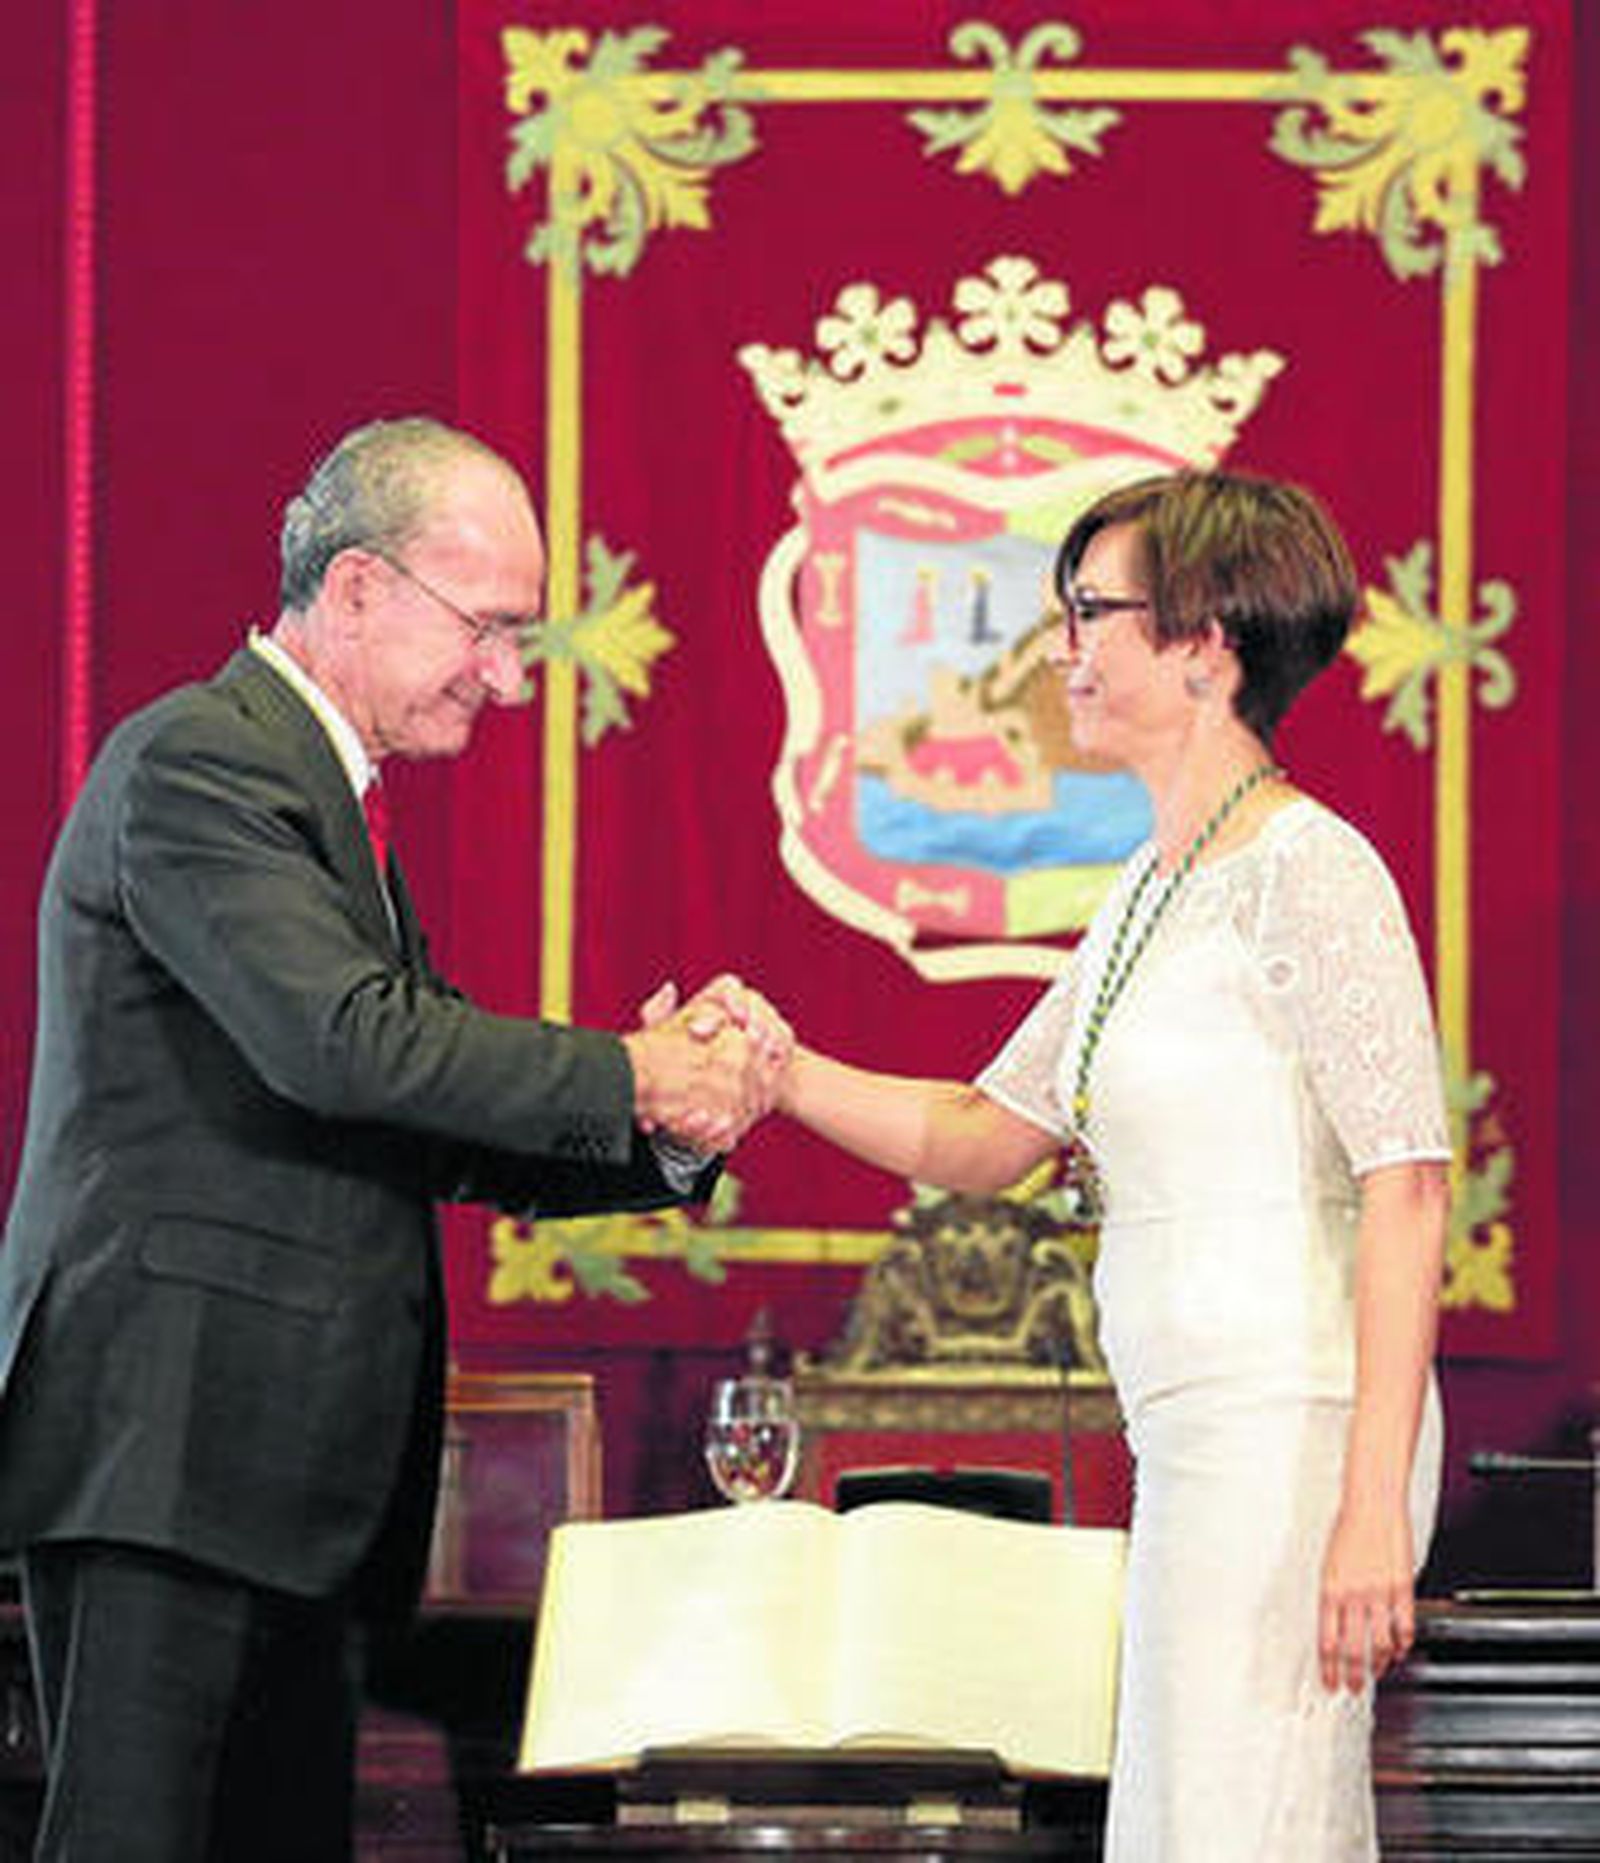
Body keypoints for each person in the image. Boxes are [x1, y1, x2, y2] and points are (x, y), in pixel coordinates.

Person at [0, 415, 785, 1863]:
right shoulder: (198, 762)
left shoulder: (321, 796)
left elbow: (410, 1102)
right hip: (170, 1455)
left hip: (278, 1476)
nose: (507, 675)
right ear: (358, 588)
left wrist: (666, 1129)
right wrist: (634, 1071)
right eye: (488, 628)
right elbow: (351, 1044)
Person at [768, 470, 1449, 1860]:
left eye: (1092, 612)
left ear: (1208, 646)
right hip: (1200, 1439)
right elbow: (983, 1133)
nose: (1060, 647)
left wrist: (1371, 1503)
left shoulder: (1309, 870)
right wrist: (774, 1072)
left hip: (1297, 1430)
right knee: (1188, 1823)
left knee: (1242, 1826)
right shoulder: (1152, 888)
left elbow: (1410, 1183)